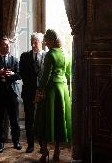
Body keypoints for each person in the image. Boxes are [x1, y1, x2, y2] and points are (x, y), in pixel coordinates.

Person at [35, 29, 72, 162]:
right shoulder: (66, 54)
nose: (45, 42)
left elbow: (46, 75)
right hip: (63, 90)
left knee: (45, 119)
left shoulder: (50, 54)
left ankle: (44, 152)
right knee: (59, 120)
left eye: (46, 40)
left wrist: (39, 89)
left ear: (51, 40)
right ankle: (56, 151)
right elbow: (68, 75)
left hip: (51, 89)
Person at [0, 37, 22, 152]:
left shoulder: (15, 59)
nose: (8, 47)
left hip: (12, 93)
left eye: (8, 45)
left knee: (14, 119)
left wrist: (12, 73)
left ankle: (16, 141)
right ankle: (0, 142)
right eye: (5, 45)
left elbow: (19, 75)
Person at [19, 32, 46, 153]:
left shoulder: (47, 56)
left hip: (42, 92)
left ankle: (42, 146)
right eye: (32, 42)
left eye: (36, 42)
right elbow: (21, 73)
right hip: (28, 92)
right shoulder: (24, 56)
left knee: (42, 119)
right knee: (29, 120)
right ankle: (30, 145)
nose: (34, 45)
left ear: (42, 42)